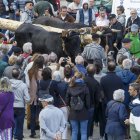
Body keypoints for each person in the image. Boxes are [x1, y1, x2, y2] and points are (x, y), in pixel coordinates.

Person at [66, 71, 90, 140]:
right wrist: (87, 108)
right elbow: (88, 102)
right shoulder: (85, 87)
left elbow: (67, 101)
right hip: (83, 111)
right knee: (84, 132)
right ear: (82, 77)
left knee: (74, 131)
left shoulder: (70, 87)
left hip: (73, 112)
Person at [10, 68, 30, 140]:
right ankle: (18, 137)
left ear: (12, 75)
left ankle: (10, 137)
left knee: (10, 125)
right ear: (19, 76)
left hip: (10, 106)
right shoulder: (23, 85)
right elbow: (28, 98)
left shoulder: (8, 84)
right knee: (20, 125)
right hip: (20, 106)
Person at [28, 55, 44, 138]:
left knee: (33, 114)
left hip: (32, 95)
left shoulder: (30, 71)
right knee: (42, 115)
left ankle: (32, 132)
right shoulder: (43, 72)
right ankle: (42, 132)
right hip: (41, 95)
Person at [84, 64, 101, 139]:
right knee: (90, 122)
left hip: (82, 105)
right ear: (94, 72)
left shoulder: (83, 80)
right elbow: (97, 97)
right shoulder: (96, 83)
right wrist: (96, 105)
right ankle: (89, 136)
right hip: (91, 105)